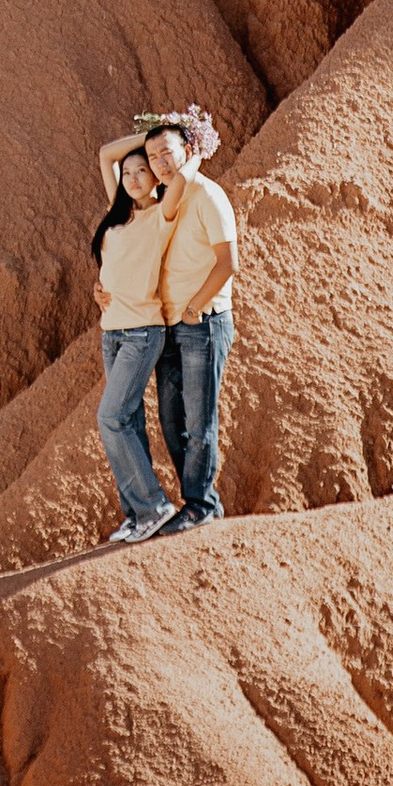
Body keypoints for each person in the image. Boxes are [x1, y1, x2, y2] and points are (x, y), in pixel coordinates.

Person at [141, 104, 236, 533]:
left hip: (203, 322)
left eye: (168, 153)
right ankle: (195, 502)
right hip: (170, 327)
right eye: (153, 157)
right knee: (171, 419)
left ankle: (201, 504)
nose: (160, 164)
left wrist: (195, 306)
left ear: (188, 150)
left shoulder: (209, 196)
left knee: (199, 420)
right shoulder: (166, 199)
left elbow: (227, 262)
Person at [88, 137, 179, 542]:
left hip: (143, 331)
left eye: (143, 169)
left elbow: (183, 172)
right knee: (130, 421)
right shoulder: (118, 214)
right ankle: (136, 514)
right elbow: (107, 154)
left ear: (156, 175)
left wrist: (156, 139)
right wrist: (100, 288)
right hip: (112, 332)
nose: (134, 178)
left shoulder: (162, 213)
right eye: (128, 173)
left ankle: (154, 506)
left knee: (110, 417)